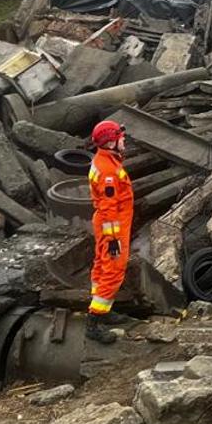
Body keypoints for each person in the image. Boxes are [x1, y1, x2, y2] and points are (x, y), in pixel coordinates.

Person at [85, 119, 133, 343]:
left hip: (109, 225)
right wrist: (114, 239)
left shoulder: (106, 162)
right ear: (110, 143)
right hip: (113, 227)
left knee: (102, 266)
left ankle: (104, 308)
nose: (124, 141)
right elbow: (109, 209)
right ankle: (94, 321)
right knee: (113, 269)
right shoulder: (108, 172)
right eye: (120, 138)